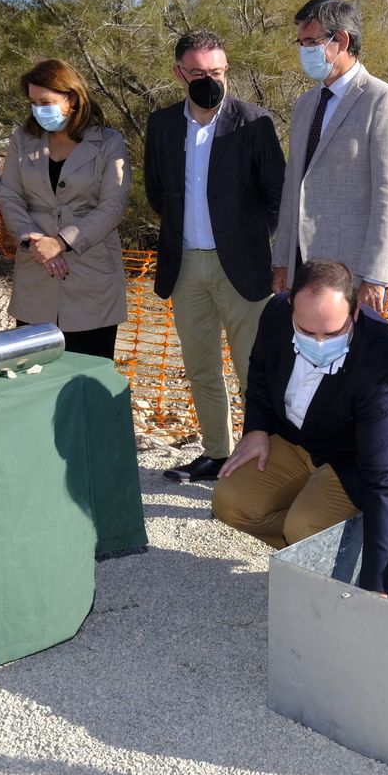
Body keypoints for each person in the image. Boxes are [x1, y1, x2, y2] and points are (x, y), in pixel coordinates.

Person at [213, 258, 388, 595]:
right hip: (300, 439)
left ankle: (364, 551)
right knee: (230, 501)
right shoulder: (275, 314)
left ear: (355, 313)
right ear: (291, 309)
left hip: (358, 456)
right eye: (307, 332)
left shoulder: (378, 351)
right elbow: (260, 369)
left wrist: (377, 584)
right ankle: (325, 548)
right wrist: (256, 428)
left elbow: (383, 473)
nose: (320, 343)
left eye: (333, 333)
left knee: (304, 525)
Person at [144, 30, 287, 483]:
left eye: (218, 72)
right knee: (201, 367)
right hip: (185, 266)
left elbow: (278, 197)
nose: (210, 80)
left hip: (244, 269)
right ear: (179, 74)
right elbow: (156, 192)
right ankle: (216, 453)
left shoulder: (254, 122)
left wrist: (253, 243)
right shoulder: (162, 124)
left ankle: (263, 463)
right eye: (199, 73)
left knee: (254, 371)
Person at [272, 0, 388, 315]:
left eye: (312, 42)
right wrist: (282, 260)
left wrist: (376, 276)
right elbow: (293, 186)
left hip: (353, 273)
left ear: (343, 40)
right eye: (301, 43)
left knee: (349, 348)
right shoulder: (305, 104)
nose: (304, 51)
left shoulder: (383, 101)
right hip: (300, 269)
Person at [0, 58, 131, 359]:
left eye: (46, 102)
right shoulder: (23, 139)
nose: (38, 110)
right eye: (33, 103)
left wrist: (61, 242)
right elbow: (10, 195)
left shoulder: (109, 142)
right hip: (35, 271)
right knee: (33, 369)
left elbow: (113, 205)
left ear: (72, 99)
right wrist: (33, 240)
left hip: (91, 274)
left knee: (87, 370)